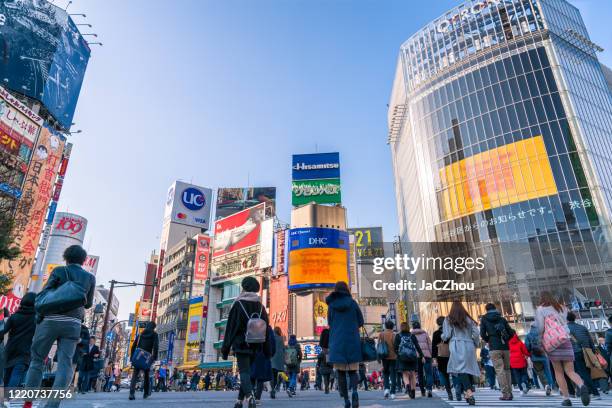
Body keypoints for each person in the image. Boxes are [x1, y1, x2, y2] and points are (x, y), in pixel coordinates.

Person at [23, 245, 96, 408]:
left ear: (66, 257)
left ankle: (28, 403)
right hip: (73, 323)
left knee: (37, 360)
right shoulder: (89, 277)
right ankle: (53, 404)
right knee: (65, 363)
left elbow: (45, 293)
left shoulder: (59, 271)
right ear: (83, 260)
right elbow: (89, 303)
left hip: (50, 319)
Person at [221, 276, 269, 408]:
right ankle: (239, 401)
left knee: (244, 372)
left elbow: (231, 327)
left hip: (241, 343)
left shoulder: (238, 304)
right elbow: (267, 328)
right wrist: (266, 348)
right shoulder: (260, 306)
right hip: (256, 344)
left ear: (244, 287)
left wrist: (225, 348)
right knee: (247, 372)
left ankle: (250, 397)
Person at [536, 291, 589, 407]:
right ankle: (581, 385)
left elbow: (540, 328)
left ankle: (566, 399)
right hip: (565, 340)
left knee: (558, 371)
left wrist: (540, 342)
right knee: (570, 371)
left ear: (542, 298)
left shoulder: (541, 309)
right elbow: (565, 324)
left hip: (552, 342)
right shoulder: (562, 308)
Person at [326, 281, 364, 408]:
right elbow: (361, 321)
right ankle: (354, 392)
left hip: (337, 341)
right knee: (353, 370)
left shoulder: (331, 305)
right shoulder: (353, 303)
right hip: (352, 340)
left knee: (341, 372)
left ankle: (346, 400)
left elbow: (330, 323)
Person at [442, 301, 480, 406]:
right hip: (469, 344)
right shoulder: (468, 319)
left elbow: (446, 334)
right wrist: (475, 344)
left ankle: (468, 392)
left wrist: (443, 337)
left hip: (456, 345)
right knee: (468, 368)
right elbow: (476, 333)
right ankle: (467, 393)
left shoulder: (449, 319)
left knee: (461, 369)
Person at [479, 303, 514, 401]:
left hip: (494, 346)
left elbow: (482, 334)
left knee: (499, 370)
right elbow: (511, 332)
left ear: (486, 310)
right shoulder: (502, 318)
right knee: (507, 369)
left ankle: (505, 393)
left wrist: (489, 340)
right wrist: (506, 339)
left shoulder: (484, 319)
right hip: (505, 347)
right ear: (495, 309)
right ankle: (510, 393)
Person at [2, 292, 36, 387]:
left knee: (7, 374)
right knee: (17, 374)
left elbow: (3, 331)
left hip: (10, 349)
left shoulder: (14, 316)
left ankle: (3, 398)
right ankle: (7, 398)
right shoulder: (36, 319)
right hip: (25, 350)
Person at [567, 311, 600, 398]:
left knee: (580, 373)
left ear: (566, 319)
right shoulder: (582, 327)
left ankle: (595, 392)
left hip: (575, 352)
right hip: (587, 351)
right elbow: (590, 340)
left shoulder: (566, 329)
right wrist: (593, 351)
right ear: (575, 318)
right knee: (586, 372)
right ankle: (586, 391)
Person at [129, 321, 159, 400]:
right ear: (153, 327)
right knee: (146, 375)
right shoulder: (154, 335)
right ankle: (145, 393)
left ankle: (131, 393)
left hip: (138, 356)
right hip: (147, 358)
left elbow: (133, 346)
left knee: (135, 375)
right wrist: (154, 358)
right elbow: (156, 347)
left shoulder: (140, 334)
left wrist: (132, 357)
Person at [394, 322, 423, 399]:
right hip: (412, 357)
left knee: (405, 373)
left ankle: (407, 386)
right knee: (413, 374)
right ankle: (413, 392)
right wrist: (421, 355)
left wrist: (399, 355)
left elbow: (395, 348)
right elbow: (417, 346)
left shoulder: (398, 336)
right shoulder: (412, 335)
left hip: (402, 357)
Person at [524, 323, 553, 396]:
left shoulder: (528, 335)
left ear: (531, 327)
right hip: (544, 355)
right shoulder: (543, 333)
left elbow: (527, 347)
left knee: (540, 372)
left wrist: (530, 353)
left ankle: (546, 385)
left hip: (535, 357)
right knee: (547, 371)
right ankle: (551, 385)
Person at [432, 316, 452, 400]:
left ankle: (449, 392)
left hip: (441, 356)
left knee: (444, 374)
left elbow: (433, 346)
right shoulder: (451, 331)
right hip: (452, 354)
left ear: (438, 324)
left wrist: (434, 358)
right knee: (456, 372)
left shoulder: (436, 333)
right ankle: (459, 389)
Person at [411, 321, 433, 398]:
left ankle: (422, 391)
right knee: (429, 373)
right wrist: (431, 355)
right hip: (426, 355)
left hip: (416, 356)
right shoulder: (425, 334)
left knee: (420, 374)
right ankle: (429, 389)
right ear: (420, 326)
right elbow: (430, 345)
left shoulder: (411, 335)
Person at [377, 320, 397, 399]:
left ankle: (386, 389)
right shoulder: (393, 334)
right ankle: (392, 393)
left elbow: (378, 345)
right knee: (393, 374)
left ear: (385, 326)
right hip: (393, 357)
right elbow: (396, 346)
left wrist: (378, 357)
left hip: (384, 357)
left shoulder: (381, 334)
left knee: (385, 373)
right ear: (392, 327)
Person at [318, 328, 333, 394]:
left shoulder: (323, 336)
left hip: (323, 363)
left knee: (325, 377)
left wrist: (318, 364)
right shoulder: (331, 334)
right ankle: (327, 386)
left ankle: (326, 387)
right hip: (330, 357)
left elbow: (319, 358)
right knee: (329, 375)